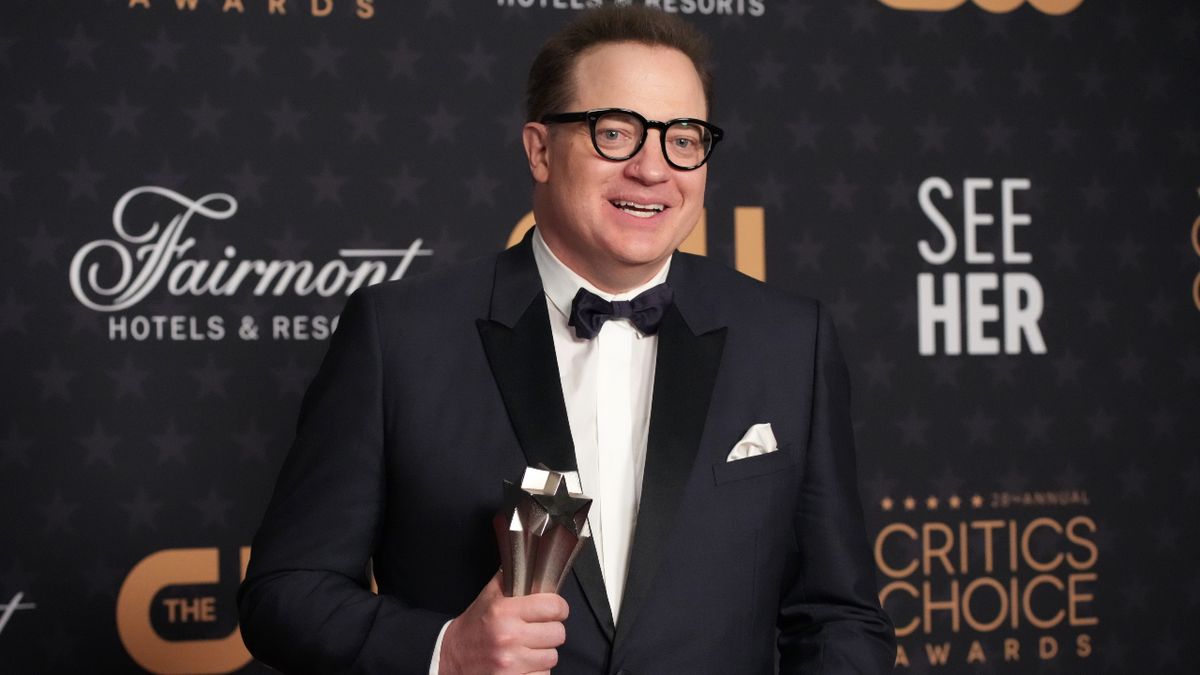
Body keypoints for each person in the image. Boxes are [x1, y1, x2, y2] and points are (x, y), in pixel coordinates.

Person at [239, 6, 895, 674]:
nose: (653, 168)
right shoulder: (399, 336)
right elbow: (284, 593)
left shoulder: (788, 340)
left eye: (685, 138)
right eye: (615, 132)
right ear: (540, 150)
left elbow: (838, 616)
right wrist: (445, 651)